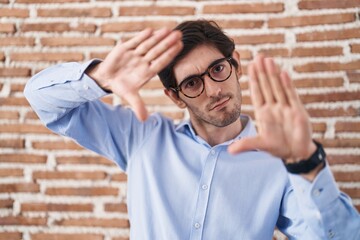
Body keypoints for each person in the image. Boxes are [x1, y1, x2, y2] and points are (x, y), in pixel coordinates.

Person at [24, 20, 359, 240]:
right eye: (193, 83)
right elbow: (42, 99)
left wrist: (307, 164)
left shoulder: (280, 163)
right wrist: (100, 79)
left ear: (236, 65)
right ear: (175, 96)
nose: (214, 90)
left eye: (218, 69)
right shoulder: (141, 137)